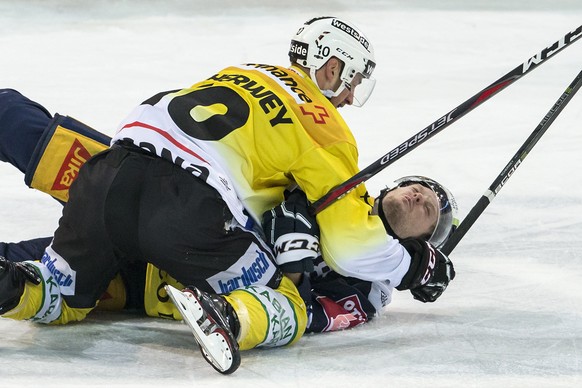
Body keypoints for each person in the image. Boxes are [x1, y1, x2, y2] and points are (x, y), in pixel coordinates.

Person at [0, 16, 457, 373]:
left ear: (427, 238)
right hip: (187, 216)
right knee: (42, 143)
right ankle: (231, 316)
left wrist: (302, 260)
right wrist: (412, 268)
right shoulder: (330, 147)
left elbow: (334, 292)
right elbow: (351, 243)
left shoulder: (248, 70)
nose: (349, 99)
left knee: (53, 288)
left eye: (430, 209)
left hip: (121, 191)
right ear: (332, 68)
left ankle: (9, 283)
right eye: (352, 83)